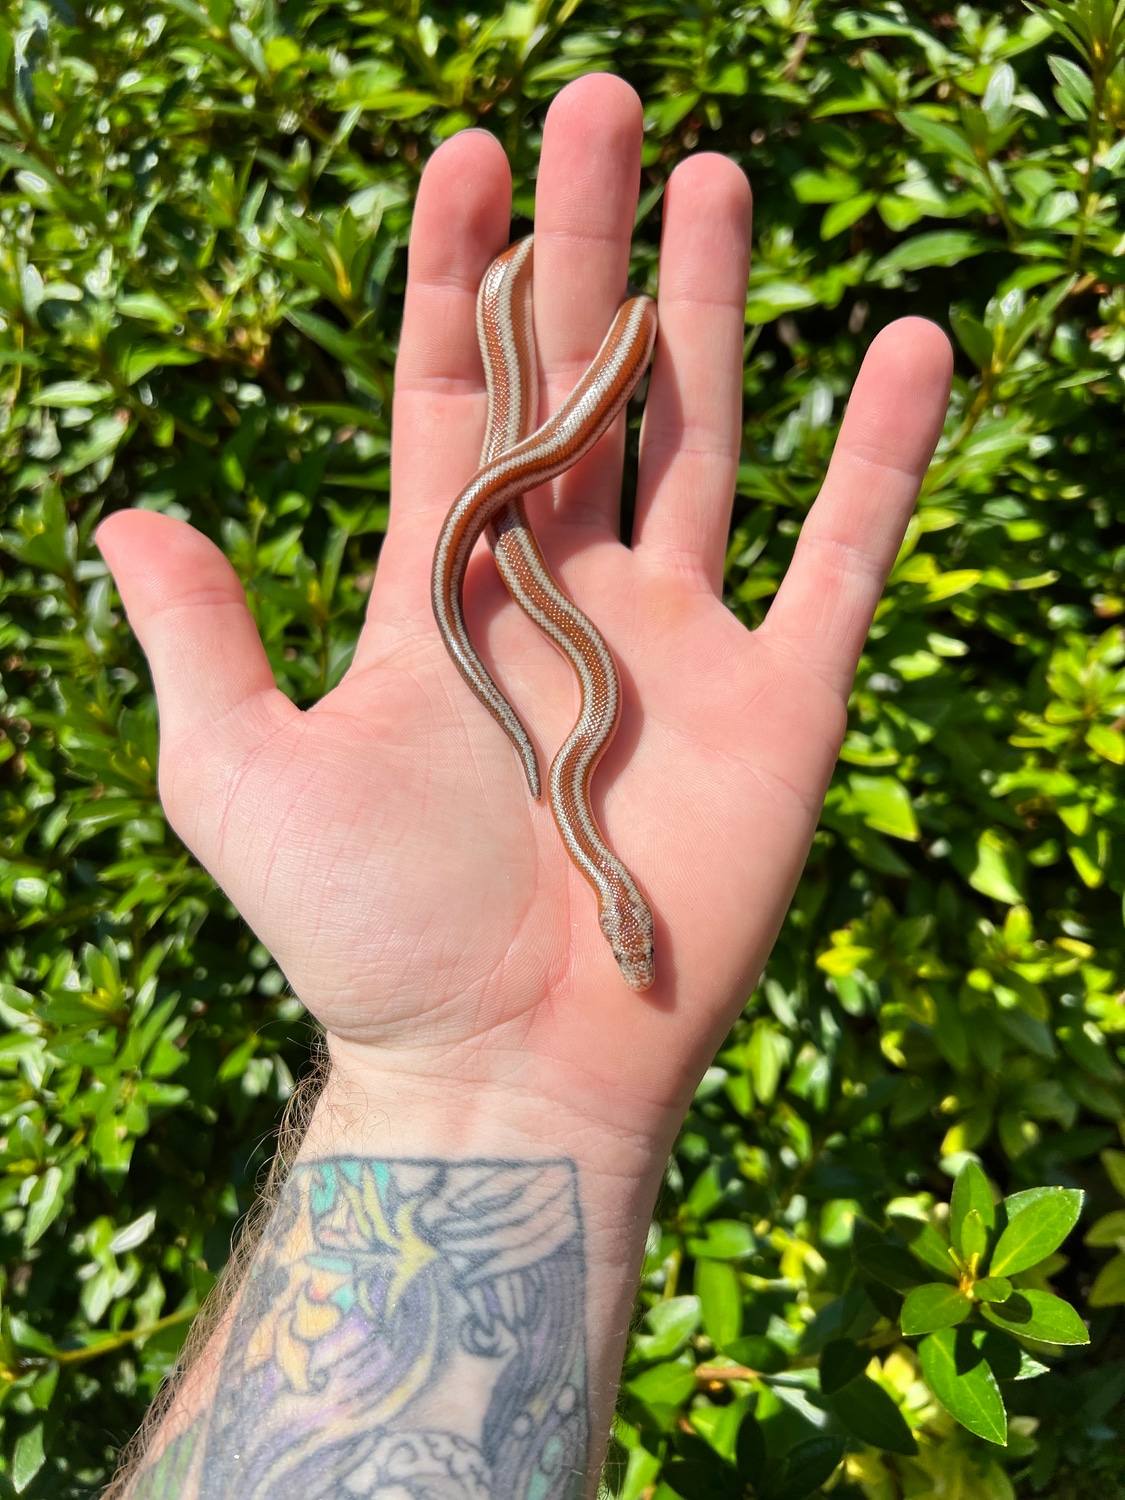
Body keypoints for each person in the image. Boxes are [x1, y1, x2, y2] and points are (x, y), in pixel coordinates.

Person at [96, 73, 952, 1500]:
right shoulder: (569, 762)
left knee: (595, 356)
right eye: (627, 927)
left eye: (630, 934)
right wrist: (473, 1084)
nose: (636, 943)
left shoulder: (588, 760)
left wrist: (486, 1100)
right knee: (556, 375)